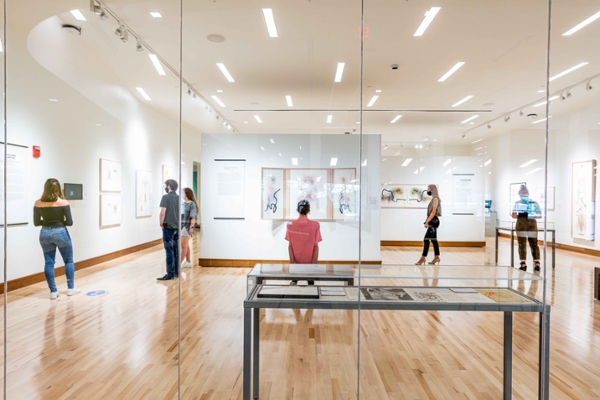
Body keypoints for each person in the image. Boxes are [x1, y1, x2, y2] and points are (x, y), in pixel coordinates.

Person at [33, 178, 80, 299]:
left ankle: (53, 292)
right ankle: (70, 288)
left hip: (44, 233)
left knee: (49, 263)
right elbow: (69, 222)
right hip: (60, 232)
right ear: (58, 188)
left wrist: (47, 220)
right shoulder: (63, 202)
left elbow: (37, 222)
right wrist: (59, 220)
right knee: (68, 260)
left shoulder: (38, 203)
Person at [285, 200, 322, 285]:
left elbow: (290, 246)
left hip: (296, 263)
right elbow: (316, 246)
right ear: (309, 211)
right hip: (310, 264)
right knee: (311, 285)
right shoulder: (315, 225)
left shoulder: (290, 224)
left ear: (297, 210)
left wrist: (292, 264)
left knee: (294, 284)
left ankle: (294, 280)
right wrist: (314, 265)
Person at [512, 185, 542, 272]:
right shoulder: (534, 203)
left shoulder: (517, 203)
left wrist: (521, 215)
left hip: (521, 224)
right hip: (532, 224)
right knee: (534, 243)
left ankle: (523, 263)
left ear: (520, 194)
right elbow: (539, 215)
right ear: (528, 194)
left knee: (521, 244)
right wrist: (530, 215)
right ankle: (537, 263)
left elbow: (514, 215)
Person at [158, 179, 180, 281]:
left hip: (168, 227)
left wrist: (161, 223)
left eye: (166, 185)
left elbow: (163, 212)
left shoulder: (165, 197)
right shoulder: (179, 198)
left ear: (169, 187)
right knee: (176, 250)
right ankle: (176, 272)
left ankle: (170, 274)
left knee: (169, 251)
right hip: (177, 227)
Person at [415, 184, 442, 265]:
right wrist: (426, 220)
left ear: (433, 190)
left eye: (428, 189)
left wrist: (427, 221)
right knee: (433, 240)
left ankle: (423, 258)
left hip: (434, 221)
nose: (427, 191)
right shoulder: (433, 199)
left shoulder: (436, 199)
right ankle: (436, 257)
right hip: (432, 221)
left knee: (426, 240)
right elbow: (429, 212)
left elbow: (433, 212)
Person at [180, 188, 198, 268]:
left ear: (186, 194)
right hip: (182, 226)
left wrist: (191, 227)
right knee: (186, 245)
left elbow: (193, 217)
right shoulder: (183, 203)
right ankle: (188, 261)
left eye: (182, 193)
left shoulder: (192, 204)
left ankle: (178, 264)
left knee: (183, 246)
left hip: (187, 227)